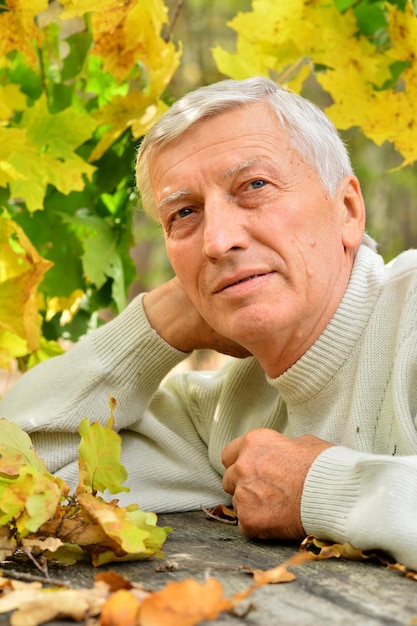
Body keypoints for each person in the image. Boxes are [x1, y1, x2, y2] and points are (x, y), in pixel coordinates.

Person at [2, 76, 417, 570]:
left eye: (254, 186)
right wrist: (156, 326)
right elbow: (18, 479)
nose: (217, 241)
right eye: (184, 213)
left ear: (348, 211)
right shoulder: (218, 418)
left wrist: (320, 487)